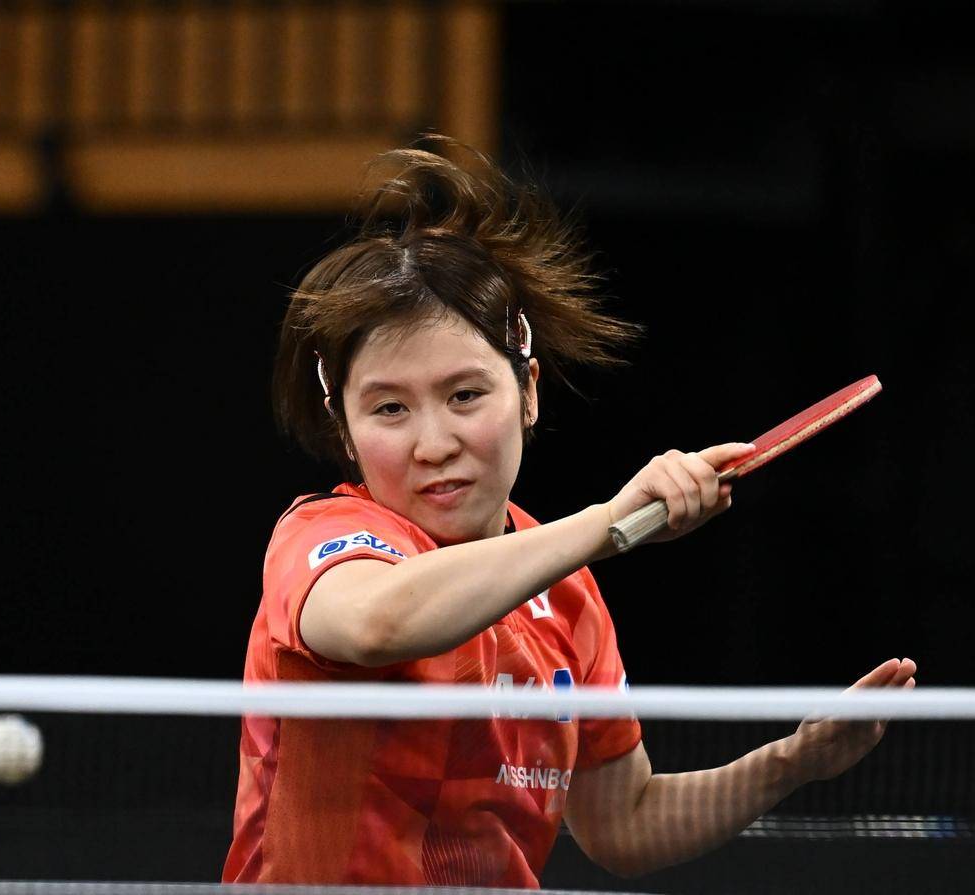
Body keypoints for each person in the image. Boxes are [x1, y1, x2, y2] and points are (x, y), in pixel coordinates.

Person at [222, 136, 916, 887]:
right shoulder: (320, 539)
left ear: (528, 392)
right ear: (344, 432)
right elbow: (376, 623)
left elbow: (626, 823)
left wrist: (792, 762)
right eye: (390, 408)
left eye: (465, 395)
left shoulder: (568, 598)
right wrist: (609, 522)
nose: (434, 443)